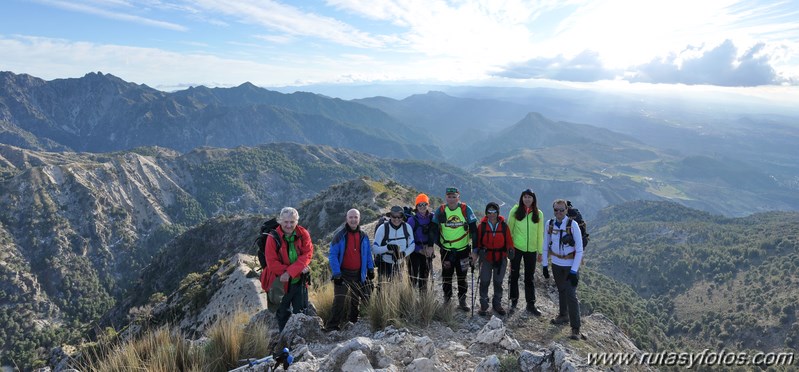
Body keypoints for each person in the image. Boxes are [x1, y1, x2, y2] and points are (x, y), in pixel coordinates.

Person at [262, 207, 314, 332]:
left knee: (301, 313)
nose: (289, 225)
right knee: (282, 315)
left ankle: (300, 342)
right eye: (286, 222)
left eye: (292, 222)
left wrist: (290, 272)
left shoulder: (303, 234)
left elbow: (307, 254)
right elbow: (272, 263)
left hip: (298, 281)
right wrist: (294, 270)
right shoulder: (272, 237)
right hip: (279, 282)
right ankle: (284, 343)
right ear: (280, 221)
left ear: (297, 221)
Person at [325, 209, 375, 331]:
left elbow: (368, 253)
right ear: (346, 219)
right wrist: (336, 273)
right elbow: (332, 255)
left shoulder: (363, 235)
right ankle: (332, 327)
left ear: (359, 219)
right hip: (343, 274)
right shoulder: (339, 235)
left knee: (357, 299)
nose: (353, 220)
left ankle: (353, 321)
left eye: (355, 217)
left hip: (359, 273)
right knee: (339, 300)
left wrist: (370, 268)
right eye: (351, 217)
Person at [542, 199, 584, 340]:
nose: (558, 212)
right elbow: (545, 245)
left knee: (571, 294)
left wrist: (574, 271)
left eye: (561, 210)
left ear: (566, 210)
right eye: (556, 210)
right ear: (553, 210)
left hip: (570, 265)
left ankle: (575, 328)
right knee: (561, 290)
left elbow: (579, 250)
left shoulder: (573, 225)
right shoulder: (550, 224)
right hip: (556, 264)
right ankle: (563, 315)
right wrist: (544, 265)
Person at [432, 187, 478, 311]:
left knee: (462, 276)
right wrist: (438, 244)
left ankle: (462, 300)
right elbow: (433, 230)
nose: (451, 199)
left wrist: (475, 251)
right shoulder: (441, 210)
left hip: (463, 250)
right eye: (449, 196)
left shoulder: (465, 210)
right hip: (446, 250)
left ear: (458, 197)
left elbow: (474, 231)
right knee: (447, 276)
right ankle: (447, 299)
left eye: (454, 196)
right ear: (445, 197)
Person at [507, 188, 545, 315]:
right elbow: (509, 230)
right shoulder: (515, 211)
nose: (527, 199)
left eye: (529, 197)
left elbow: (540, 234)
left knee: (529, 277)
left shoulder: (538, 214)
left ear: (533, 199)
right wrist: (509, 247)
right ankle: (513, 301)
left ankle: (530, 304)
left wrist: (540, 252)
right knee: (514, 275)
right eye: (525, 197)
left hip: (532, 250)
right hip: (517, 248)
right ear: (521, 198)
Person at [472, 202, 513, 316]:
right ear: (486, 213)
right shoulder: (482, 226)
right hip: (486, 258)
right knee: (484, 281)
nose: (491, 214)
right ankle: (484, 305)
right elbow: (478, 242)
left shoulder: (504, 226)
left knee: (498, 282)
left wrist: (510, 250)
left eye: (494, 211)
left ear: (497, 212)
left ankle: (497, 304)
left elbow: (509, 241)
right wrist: (479, 250)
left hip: (501, 258)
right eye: (489, 212)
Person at [372, 205, 415, 279]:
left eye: (399, 216)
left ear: (403, 217)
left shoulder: (407, 227)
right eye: (394, 216)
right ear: (390, 216)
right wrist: (387, 247)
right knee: (383, 288)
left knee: (397, 286)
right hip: (384, 264)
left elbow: (412, 245)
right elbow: (374, 249)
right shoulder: (382, 228)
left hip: (400, 264)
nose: (397, 219)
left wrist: (403, 254)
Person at [406, 193, 437, 291]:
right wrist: (419, 250)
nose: (422, 207)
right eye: (420, 204)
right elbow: (407, 239)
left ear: (428, 205)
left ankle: (423, 300)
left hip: (428, 251)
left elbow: (436, 233)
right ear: (416, 206)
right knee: (413, 277)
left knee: (424, 277)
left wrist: (430, 248)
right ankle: (410, 299)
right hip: (414, 252)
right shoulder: (411, 220)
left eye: (425, 204)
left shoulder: (432, 218)